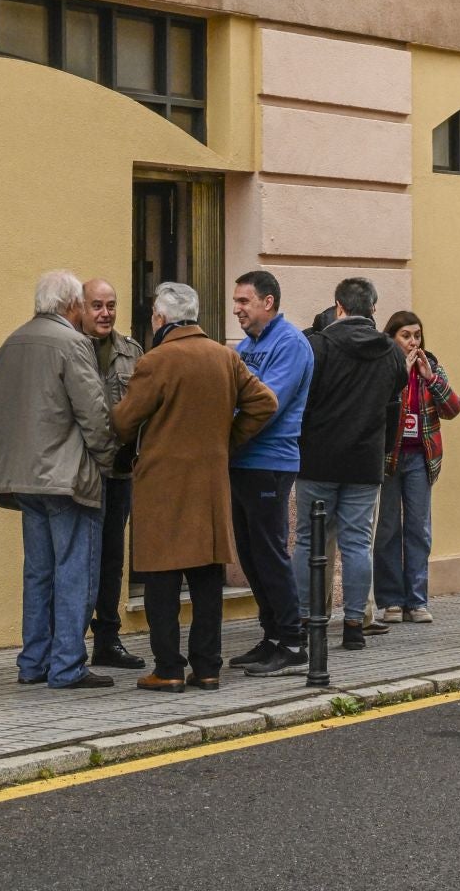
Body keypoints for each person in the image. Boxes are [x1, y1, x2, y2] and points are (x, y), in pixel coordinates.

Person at [111, 281, 277, 693]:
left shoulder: (156, 361)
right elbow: (265, 403)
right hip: (209, 484)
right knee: (206, 580)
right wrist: (227, 440)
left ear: (160, 318)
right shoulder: (225, 357)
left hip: (162, 485)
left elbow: (123, 422)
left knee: (162, 581)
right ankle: (207, 668)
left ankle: (168, 667)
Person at [0, 269, 117, 692]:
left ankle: (33, 661)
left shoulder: (11, 343)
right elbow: (94, 413)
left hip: (24, 477)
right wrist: (106, 461)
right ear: (71, 305)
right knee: (75, 570)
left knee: (38, 571)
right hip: (66, 476)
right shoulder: (72, 344)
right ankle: (67, 665)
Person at [293, 276, 408, 650]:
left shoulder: (318, 346)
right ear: (373, 309)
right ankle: (355, 624)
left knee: (310, 541)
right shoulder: (391, 353)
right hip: (365, 462)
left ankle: (307, 618)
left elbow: (302, 401)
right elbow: (394, 401)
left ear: (338, 306)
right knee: (358, 544)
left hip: (318, 460)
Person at [228, 269, 316, 675]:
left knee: (269, 553)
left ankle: (293, 643)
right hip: (242, 462)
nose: (236, 309)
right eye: (236, 301)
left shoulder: (291, 344)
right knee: (250, 556)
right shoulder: (247, 347)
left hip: (270, 463)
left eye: (244, 301)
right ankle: (272, 637)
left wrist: (225, 429)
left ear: (268, 302)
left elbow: (268, 404)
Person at [374, 310, 460, 623]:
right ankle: (390, 601)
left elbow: (453, 408)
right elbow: (373, 404)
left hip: (420, 458)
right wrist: (399, 373)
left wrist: (431, 379)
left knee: (418, 530)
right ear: (392, 338)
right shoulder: (383, 365)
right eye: (406, 336)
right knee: (387, 529)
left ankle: (417, 600)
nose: (413, 342)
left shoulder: (432, 366)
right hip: (388, 458)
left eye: (417, 335)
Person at [80, 276, 145, 671]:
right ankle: (69, 641)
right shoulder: (68, 348)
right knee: (78, 559)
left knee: (111, 559)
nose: (106, 313)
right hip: (80, 471)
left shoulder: (131, 352)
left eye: (111, 305)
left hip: (118, 474)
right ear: (81, 308)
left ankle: (108, 638)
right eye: (97, 306)